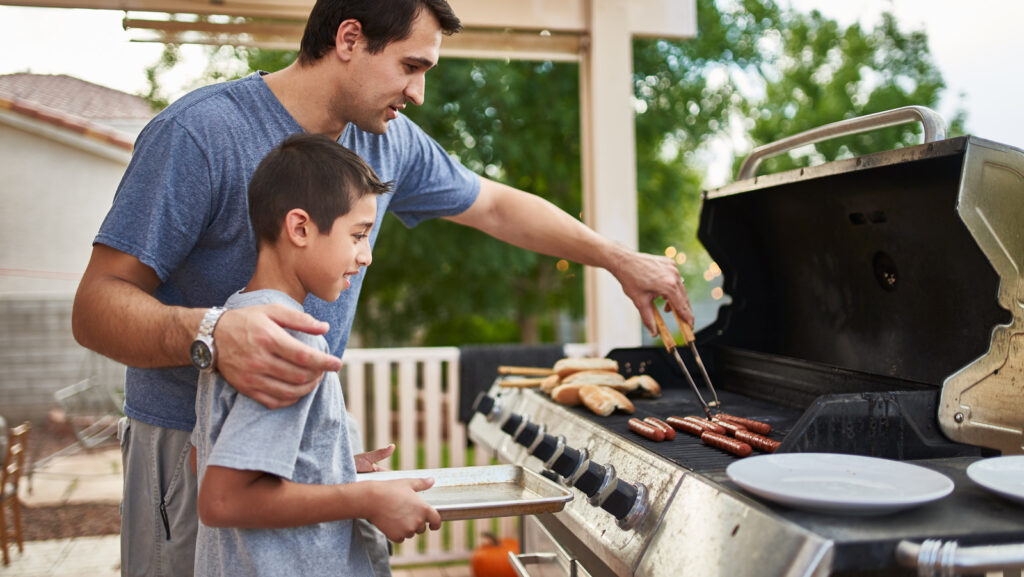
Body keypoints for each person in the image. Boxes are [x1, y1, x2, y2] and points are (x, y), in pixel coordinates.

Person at [71, 0, 694, 575]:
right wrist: (213, 333)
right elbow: (96, 307)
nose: (418, 92)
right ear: (349, 39)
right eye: (410, 66)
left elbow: (497, 207)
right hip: (187, 450)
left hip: (292, 461)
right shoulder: (201, 134)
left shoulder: (384, 141)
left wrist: (618, 260)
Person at [191, 133, 439, 577]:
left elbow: (207, 457)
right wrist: (368, 497)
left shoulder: (238, 321)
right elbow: (223, 498)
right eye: (359, 235)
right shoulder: (291, 338)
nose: (366, 257)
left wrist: (331, 464)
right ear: (300, 228)